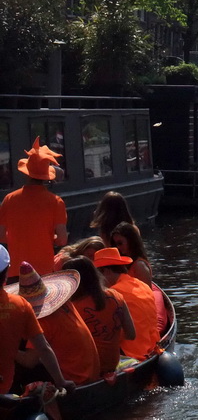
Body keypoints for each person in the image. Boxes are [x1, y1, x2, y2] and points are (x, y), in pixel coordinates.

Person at [8, 261, 100, 388]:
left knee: (16, 363)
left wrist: (7, 348)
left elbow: (29, 361)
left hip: (74, 380)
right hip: (90, 371)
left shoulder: (43, 322)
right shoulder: (66, 304)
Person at [0, 249, 75, 396]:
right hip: (5, 385)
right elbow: (43, 348)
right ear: (7, 272)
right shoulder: (20, 305)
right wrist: (61, 381)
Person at [0, 138, 68, 282]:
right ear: (47, 177)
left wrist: (19, 239)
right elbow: (62, 240)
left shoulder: (9, 199)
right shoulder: (56, 202)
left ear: (27, 172)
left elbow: (1, 236)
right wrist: (46, 238)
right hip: (44, 271)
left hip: (16, 271)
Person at [64, 256, 135, 375]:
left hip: (88, 370)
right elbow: (131, 335)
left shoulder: (72, 307)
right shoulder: (116, 296)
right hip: (112, 364)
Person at [92, 248, 159, 360]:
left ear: (106, 271)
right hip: (154, 348)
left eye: (97, 276)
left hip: (131, 354)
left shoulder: (113, 294)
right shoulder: (142, 284)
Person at [109, 222, 153, 287]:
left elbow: (148, 293)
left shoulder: (139, 266)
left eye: (120, 243)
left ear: (131, 241)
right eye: (115, 245)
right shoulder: (123, 264)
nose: (117, 247)